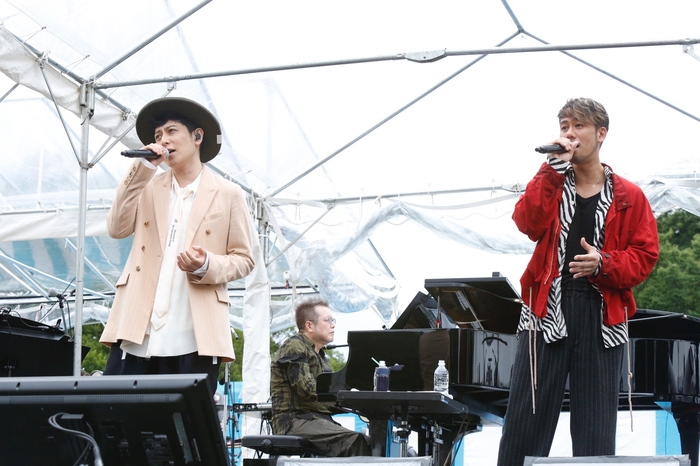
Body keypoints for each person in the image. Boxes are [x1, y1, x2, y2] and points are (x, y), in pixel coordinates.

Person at [496, 97, 659, 466]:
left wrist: (604, 263)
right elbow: (527, 223)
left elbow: (644, 257)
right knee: (524, 424)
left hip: (601, 314)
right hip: (547, 309)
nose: (569, 134)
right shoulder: (552, 182)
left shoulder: (629, 196)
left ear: (601, 134)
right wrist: (551, 170)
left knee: (594, 432)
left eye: (578, 126)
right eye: (564, 126)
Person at [100, 97, 255, 394]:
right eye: (158, 135)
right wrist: (143, 167)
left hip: (194, 332)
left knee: (187, 420)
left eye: (172, 131)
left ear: (197, 136)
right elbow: (117, 228)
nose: (163, 140)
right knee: (119, 414)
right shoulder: (146, 185)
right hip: (138, 327)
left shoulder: (228, 193)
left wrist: (207, 264)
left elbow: (244, 258)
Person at [270, 298, 372, 457]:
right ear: (309, 325)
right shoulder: (295, 346)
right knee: (355, 441)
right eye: (327, 320)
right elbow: (307, 390)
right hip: (293, 421)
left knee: (369, 442)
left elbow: (326, 399)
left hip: (315, 420)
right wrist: (347, 397)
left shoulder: (321, 357)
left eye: (333, 320)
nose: (333, 325)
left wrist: (358, 402)